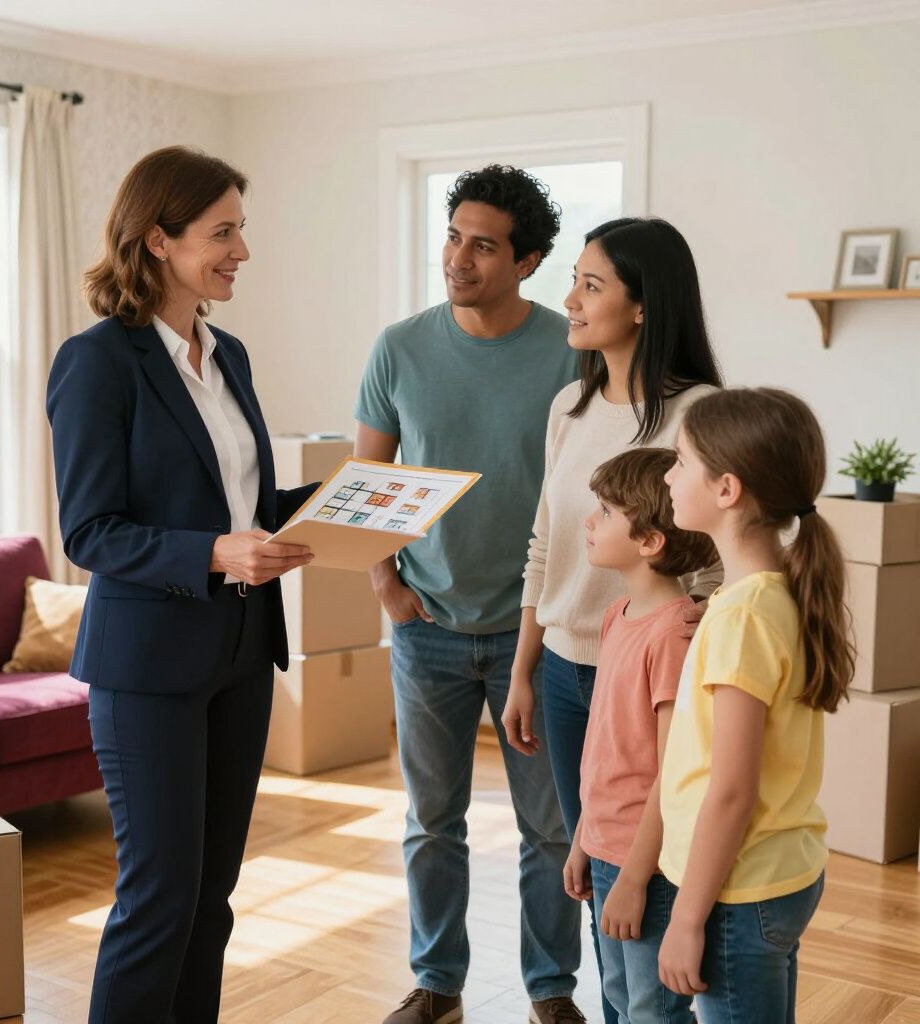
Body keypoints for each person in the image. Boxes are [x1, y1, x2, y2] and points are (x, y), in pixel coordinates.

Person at [47, 146, 317, 1024]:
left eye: (242, 230)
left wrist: (343, 503)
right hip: (147, 667)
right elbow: (90, 531)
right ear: (159, 239)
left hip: (240, 654)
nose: (241, 250)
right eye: (223, 233)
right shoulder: (99, 362)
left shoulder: (227, 351)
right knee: (159, 898)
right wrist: (213, 555)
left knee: (212, 896)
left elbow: (242, 500)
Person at [354, 165, 584, 1024]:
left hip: (543, 633)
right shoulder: (400, 347)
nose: (458, 258)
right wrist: (386, 582)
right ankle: (438, 986)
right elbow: (366, 481)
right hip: (428, 628)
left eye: (483, 245)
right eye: (453, 236)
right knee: (432, 821)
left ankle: (552, 992)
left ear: (526, 262)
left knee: (551, 828)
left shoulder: (573, 349)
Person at [502, 217, 724, 1024]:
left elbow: (722, 554)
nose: (570, 299)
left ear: (642, 306)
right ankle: (620, 1010)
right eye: (576, 280)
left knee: (652, 865)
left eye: (591, 285)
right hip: (563, 669)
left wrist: (690, 636)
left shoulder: (702, 413)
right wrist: (527, 667)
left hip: (654, 675)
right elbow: (544, 543)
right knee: (596, 865)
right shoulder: (569, 403)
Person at [658, 387, 855, 1023]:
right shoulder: (771, 594)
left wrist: (687, 919)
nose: (668, 474)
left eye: (681, 461)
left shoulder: (743, 616)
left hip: (737, 894)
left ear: (727, 490)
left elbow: (731, 791)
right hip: (778, 873)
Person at [562, 448, 716, 1024]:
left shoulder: (673, 633)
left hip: (647, 866)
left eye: (604, 510)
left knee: (653, 1011)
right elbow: (607, 749)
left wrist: (631, 878)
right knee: (625, 1003)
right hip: (606, 852)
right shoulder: (617, 615)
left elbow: (672, 770)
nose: (589, 520)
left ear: (650, 541)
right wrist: (583, 841)